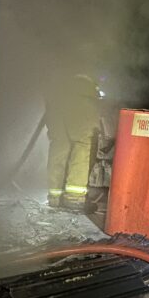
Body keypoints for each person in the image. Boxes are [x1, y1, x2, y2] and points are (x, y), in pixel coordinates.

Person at [44, 74, 102, 211]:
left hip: (55, 95)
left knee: (60, 145)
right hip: (81, 94)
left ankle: (55, 197)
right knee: (83, 145)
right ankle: (74, 198)